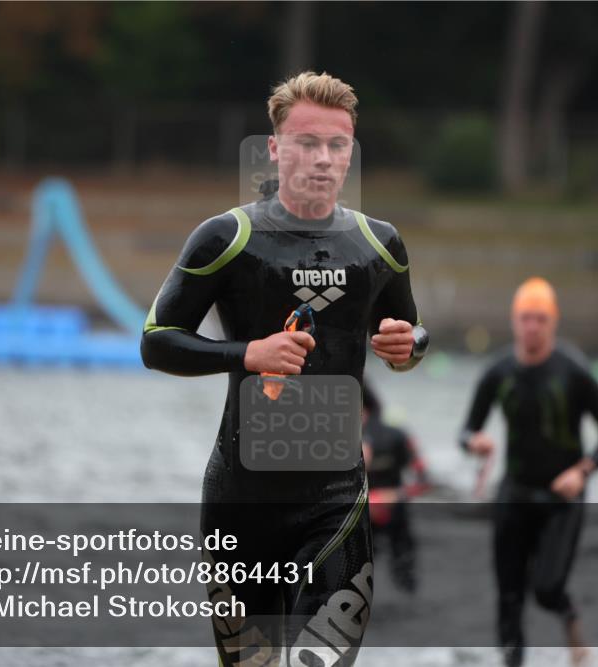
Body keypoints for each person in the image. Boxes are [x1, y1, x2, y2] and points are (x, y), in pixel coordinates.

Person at [140, 71, 428, 667]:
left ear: (351, 151)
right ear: (274, 148)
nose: (322, 159)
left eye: (337, 145)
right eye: (306, 143)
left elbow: (408, 335)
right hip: (240, 497)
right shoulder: (228, 237)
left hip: (335, 499)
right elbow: (156, 342)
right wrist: (246, 353)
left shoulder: (379, 245)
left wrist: (411, 344)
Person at [458, 277, 598, 667]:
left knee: (547, 589)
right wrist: (474, 443)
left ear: (554, 322)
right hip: (514, 494)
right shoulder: (497, 371)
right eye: (525, 318)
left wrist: (583, 471)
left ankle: (569, 617)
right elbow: (466, 429)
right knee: (509, 596)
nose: (532, 326)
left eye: (540, 319)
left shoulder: (575, 371)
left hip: (562, 499)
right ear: (514, 321)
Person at [361, 381, 431, 594]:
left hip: (393, 511)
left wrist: (394, 495)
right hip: (355, 515)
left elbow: (424, 479)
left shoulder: (396, 436)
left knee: (405, 572)